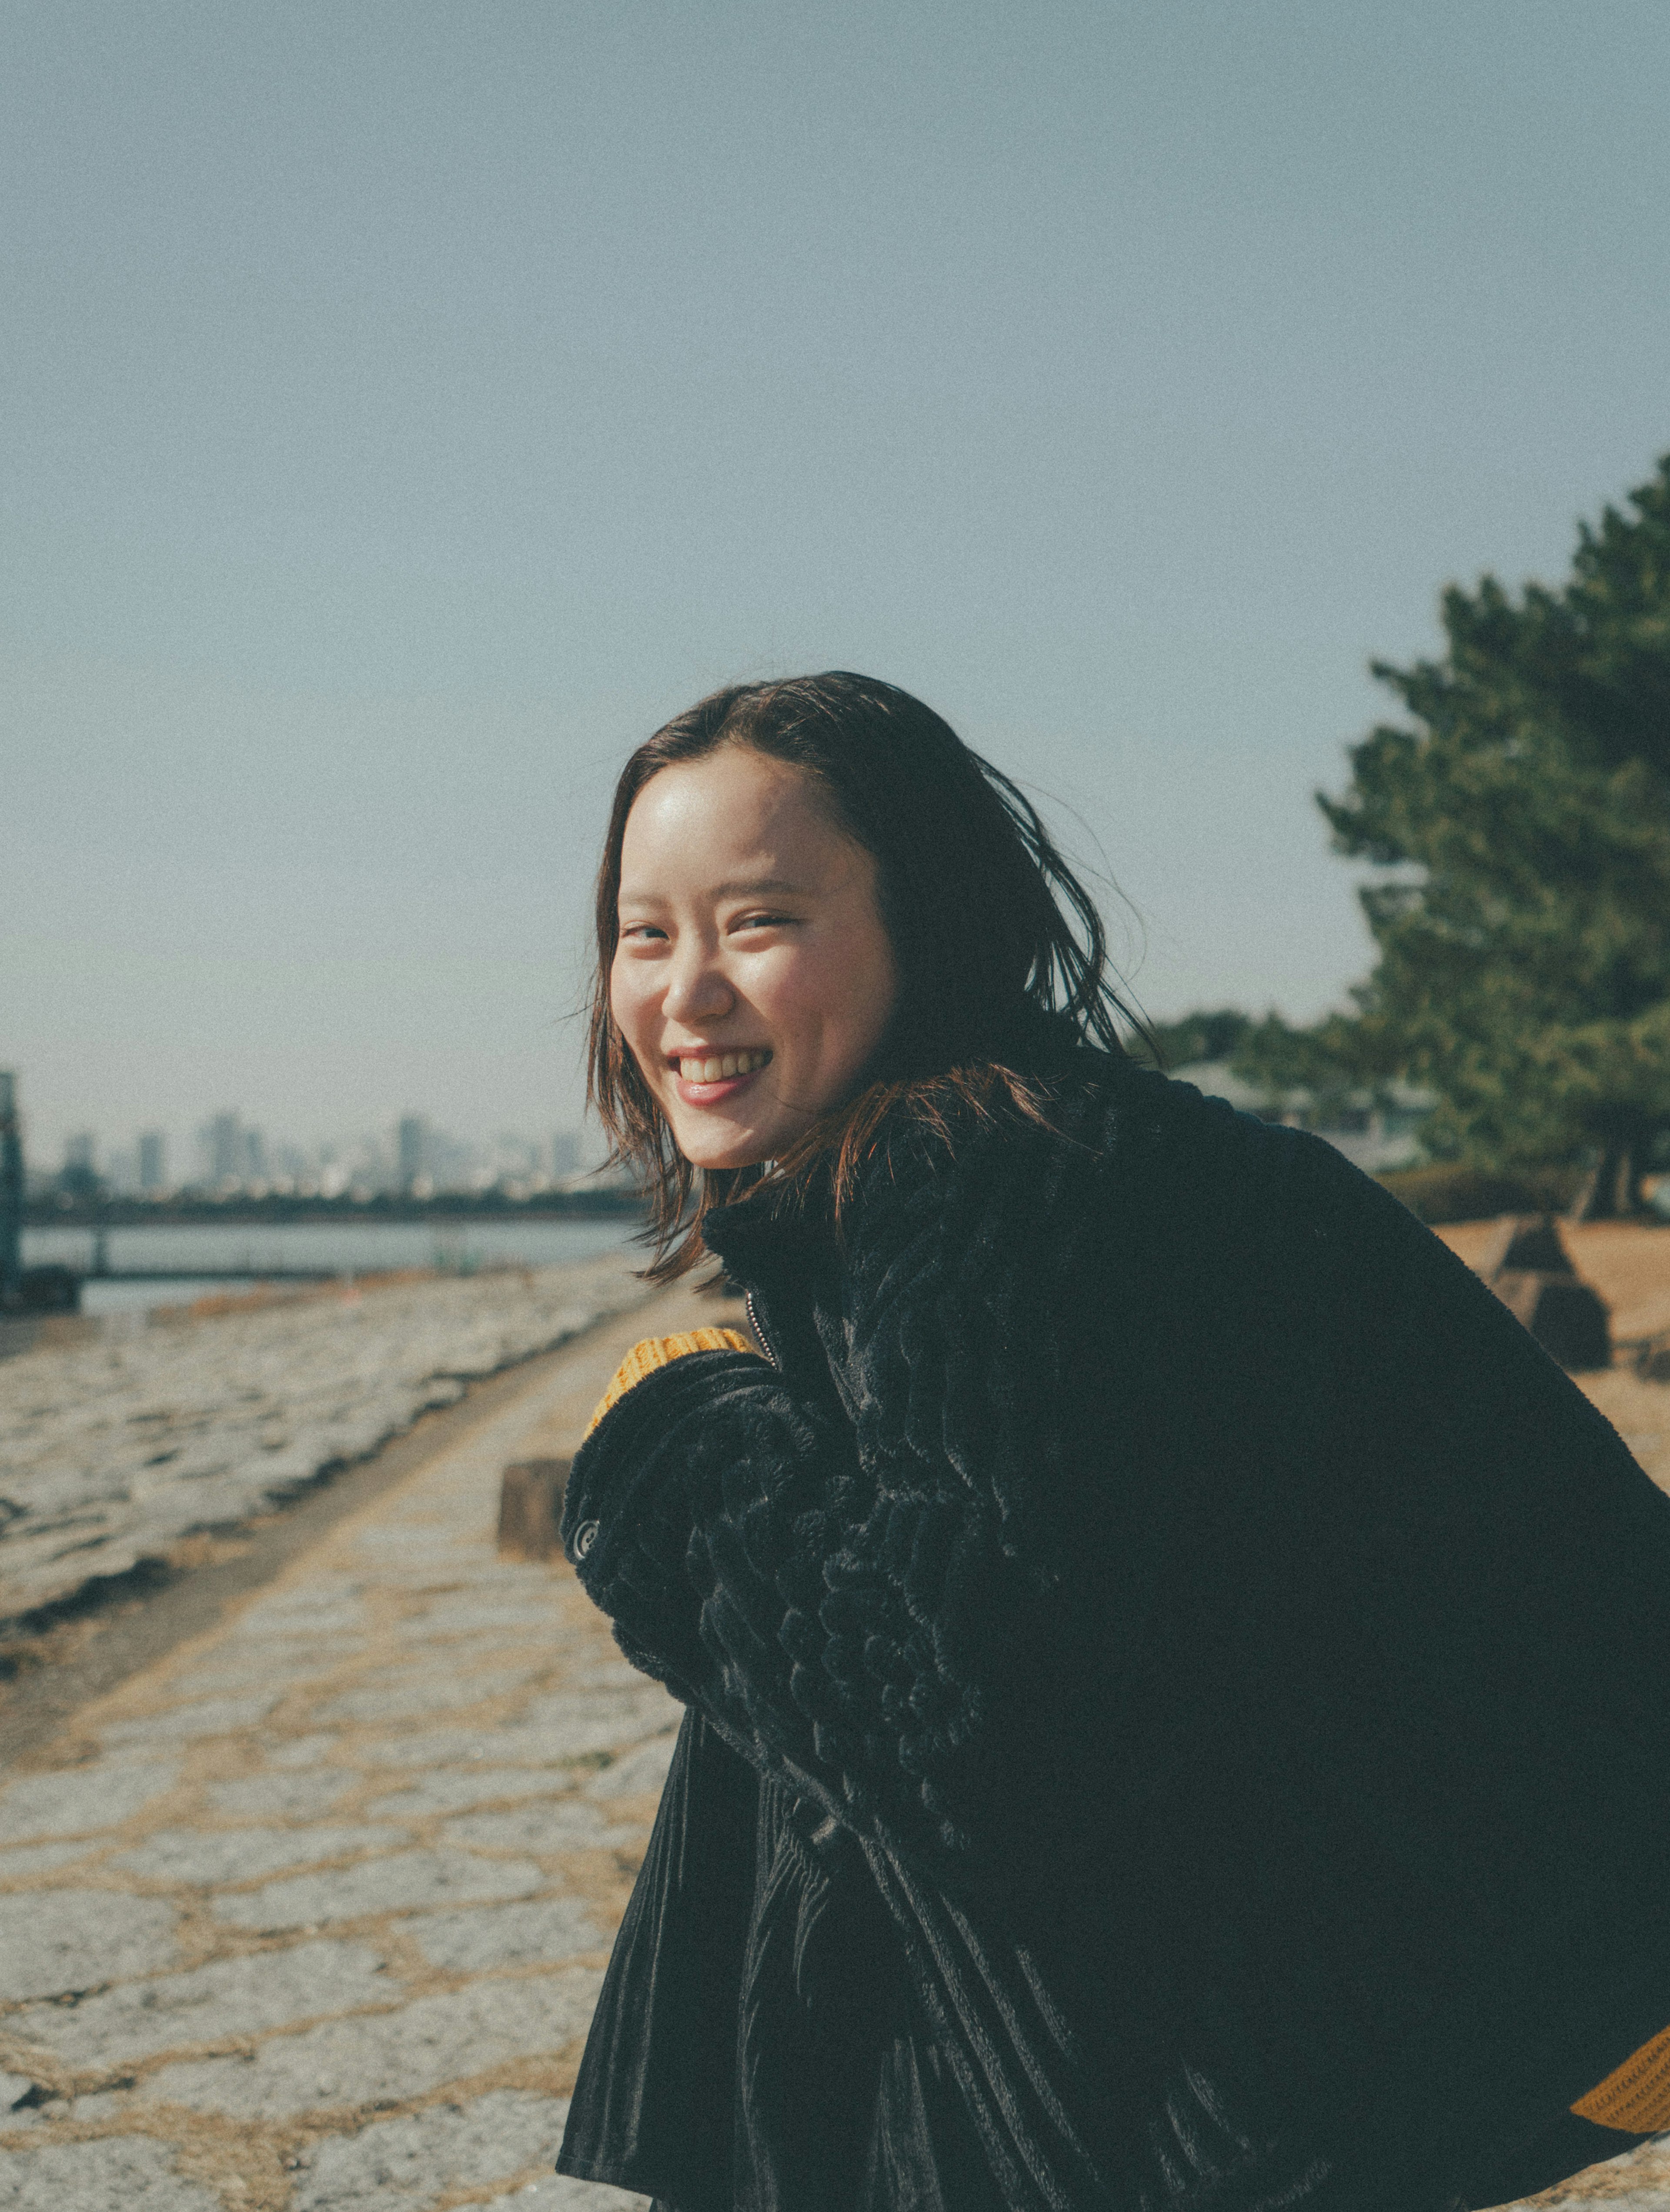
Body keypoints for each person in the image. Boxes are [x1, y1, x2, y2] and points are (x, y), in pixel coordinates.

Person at [553, 671, 1670, 2212]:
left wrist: (668, 1443)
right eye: (645, 933)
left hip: (1568, 1955)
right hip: (1540, 1901)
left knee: (832, 1638)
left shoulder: (989, 1174)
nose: (686, 993)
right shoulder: (999, 1142)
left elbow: (966, 1751)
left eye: (758, 922)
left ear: (923, 928)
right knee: (819, 1656)